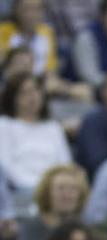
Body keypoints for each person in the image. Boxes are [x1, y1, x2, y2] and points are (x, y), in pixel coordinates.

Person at [0, 73, 71, 203]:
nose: (33, 97)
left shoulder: (53, 127)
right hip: (21, 190)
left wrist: (54, 186)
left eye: (36, 91)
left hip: (54, 189)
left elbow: (65, 162)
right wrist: (37, 188)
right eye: (25, 92)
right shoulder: (4, 125)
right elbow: (5, 166)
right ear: (13, 98)